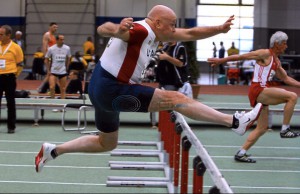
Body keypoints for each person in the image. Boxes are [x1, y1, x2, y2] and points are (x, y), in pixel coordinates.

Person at [35, 5, 263, 173]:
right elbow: (105, 29)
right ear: (157, 23)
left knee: (107, 142)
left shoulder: (157, 33)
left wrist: (220, 29)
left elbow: (192, 33)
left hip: (99, 88)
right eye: (171, 24)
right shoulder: (140, 31)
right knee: (174, 98)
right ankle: (234, 122)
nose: (175, 29)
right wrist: (117, 28)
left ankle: (53, 150)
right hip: (111, 88)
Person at [208, 31, 300, 163]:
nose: (286, 46)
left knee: (262, 128)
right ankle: (285, 129)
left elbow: (286, 78)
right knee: (292, 96)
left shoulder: (276, 61)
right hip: (259, 90)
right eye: (284, 43)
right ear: (276, 44)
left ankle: (241, 152)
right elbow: (242, 56)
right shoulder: (265, 53)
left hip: (263, 92)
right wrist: (221, 60)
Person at [0, 25, 24, 134]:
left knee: (10, 102)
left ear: (8, 35)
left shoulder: (16, 47)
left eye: (1, 34)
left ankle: (11, 127)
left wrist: (15, 74)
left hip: (10, 77)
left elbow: (20, 64)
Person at [45, 34, 71, 99]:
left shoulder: (67, 48)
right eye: (61, 39)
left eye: (63, 39)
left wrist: (67, 67)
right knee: (52, 87)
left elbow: (69, 58)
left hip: (62, 71)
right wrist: (48, 70)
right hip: (53, 71)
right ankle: (53, 101)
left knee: (63, 88)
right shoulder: (51, 49)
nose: (63, 41)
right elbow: (46, 59)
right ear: (57, 40)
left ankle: (62, 106)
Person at [37, 23, 58, 94]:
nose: (55, 29)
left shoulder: (54, 36)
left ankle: (46, 88)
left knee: (51, 74)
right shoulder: (47, 35)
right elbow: (44, 46)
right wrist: (46, 57)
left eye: (56, 28)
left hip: (53, 57)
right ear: (50, 27)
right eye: (54, 27)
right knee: (50, 73)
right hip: (49, 57)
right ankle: (41, 88)